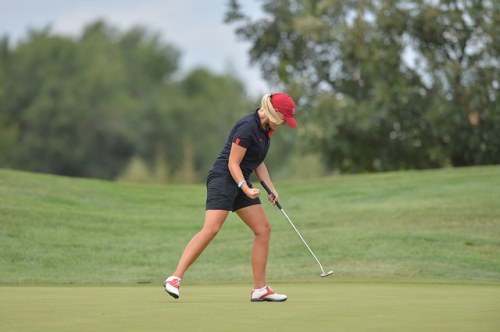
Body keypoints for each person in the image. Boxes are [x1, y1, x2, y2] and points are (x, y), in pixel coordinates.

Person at [163, 93, 298, 302]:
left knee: (263, 229)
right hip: (223, 178)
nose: (284, 124)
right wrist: (245, 188)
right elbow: (232, 164)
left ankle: (259, 289)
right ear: (275, 112)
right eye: (284, 119)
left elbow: (257, 161)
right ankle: (174, 278)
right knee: (211, 229)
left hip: (240, 180)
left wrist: (271, 188)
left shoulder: (267, 129)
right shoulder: (247, 127)